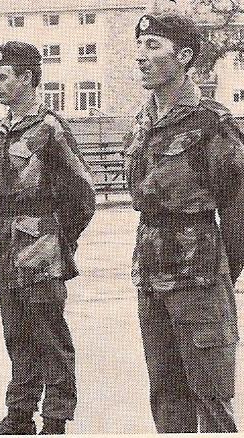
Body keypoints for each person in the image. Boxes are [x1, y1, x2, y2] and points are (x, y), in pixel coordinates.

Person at [127, 11, 244, 433]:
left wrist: (219, 274)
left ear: (185, 56)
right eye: (140, 45)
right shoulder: (142, 121)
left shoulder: (212, 123)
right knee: (165, 392)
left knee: (210, 393)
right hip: (151, 271)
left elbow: (236, 210)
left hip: (199, 276)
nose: (140, 56)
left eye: (153, 46)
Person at [0, 41, 96, 435]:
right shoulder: (7, 127)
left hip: (39, 245)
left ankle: (55, 421)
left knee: (49, 334)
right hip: (7, 242)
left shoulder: (50, 128)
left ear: (26, 77)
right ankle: (18, 416)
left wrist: (58, 241)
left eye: (2, 77)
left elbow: (83, 194)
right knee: (17, 334)